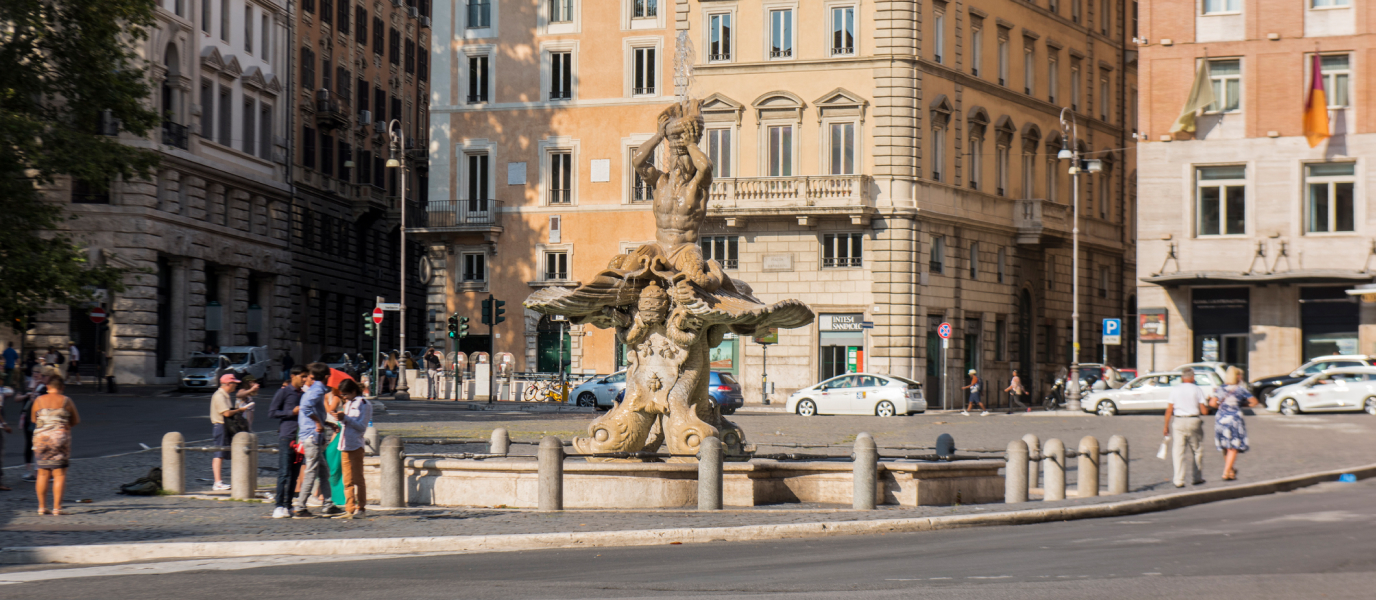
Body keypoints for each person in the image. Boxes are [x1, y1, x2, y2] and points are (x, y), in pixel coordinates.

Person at [295, 363, 342, 517]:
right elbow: (306, 409)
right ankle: (301, 506)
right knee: (311, 472)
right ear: (327, 376)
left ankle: (328, 504)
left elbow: (311, 410)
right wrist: (317, 423)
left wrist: (326, 423)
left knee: (323, 471)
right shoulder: (316, 391)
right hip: (312, 437)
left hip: (313, 436)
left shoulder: (316, 390)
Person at [31, 374, 79, 514]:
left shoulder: (38, 400)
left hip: (41, 438)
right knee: (59, 474)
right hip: (59, 438)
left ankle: (41, 507)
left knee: (42, 473)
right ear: (62, 387)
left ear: (47, 387)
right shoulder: (66, 400)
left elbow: (34, 419)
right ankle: (57, 508)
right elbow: (75, 420)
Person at [331, 379, 373, 518]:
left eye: (345, 394)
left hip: (355, 445)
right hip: (344, 444)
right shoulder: (348, 403)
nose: (344, 397)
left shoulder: (364, 404)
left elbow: (361, 427)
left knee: (358, 479)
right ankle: (349, 508)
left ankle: (361, 507)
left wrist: (346, 418)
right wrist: (339, 419)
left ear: (353, 391)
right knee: (347, 480)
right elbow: (346, 423)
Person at [268, 366, 305, 519]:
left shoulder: (304, 394)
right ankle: (278, 505)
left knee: (295, 474)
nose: (304, 380)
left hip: (300, 437)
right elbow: (272, 412)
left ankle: (289, 505)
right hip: (286, 436)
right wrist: (291, 412)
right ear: (293, 376)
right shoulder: (283, 392)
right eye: (302, 376)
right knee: (284, 472)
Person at [1164, 367, 1211, 488]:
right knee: (1197, 450)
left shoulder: (1175, 389)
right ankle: (1196, 477)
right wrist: (1209, 403)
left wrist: (1166, 426)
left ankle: (1179, 480)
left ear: (1182, 377)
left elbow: (1169, 409)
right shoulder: (1197, 389)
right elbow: (1204, 411)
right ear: (1193, 377)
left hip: (1178, 420)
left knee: (1178, 451)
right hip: (1193, 420)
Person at [1210, 366, 1258, 481]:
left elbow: (1212, 403)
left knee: (1225, 446)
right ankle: (1226, 472)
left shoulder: (1220, 388)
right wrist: (1241, 405)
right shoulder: (1240, 389)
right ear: (1237, 376)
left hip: (1220, 418)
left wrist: (1222, 407)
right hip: (1234, 419)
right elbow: (1254, 402)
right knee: (1233, 446)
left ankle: (1231, 471)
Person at [210, 373, 251, 491]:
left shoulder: (225, 395)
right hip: (220, 426)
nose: (235, 386)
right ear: (228, 384)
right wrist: (240, 410)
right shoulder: (219, 396)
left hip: (224, 426)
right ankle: (217, 482)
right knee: (219, 453)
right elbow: (226, 413)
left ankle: (219, 482)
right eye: (234, 383)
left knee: (222, 453)